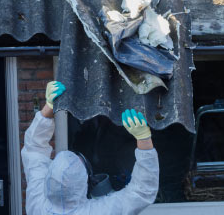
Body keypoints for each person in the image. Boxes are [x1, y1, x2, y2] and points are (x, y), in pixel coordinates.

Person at [21, 81, 159, 214]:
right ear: (84, 182)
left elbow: (34, 150)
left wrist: (49, 108)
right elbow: (142, 192)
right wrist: (144, 139)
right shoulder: (97, 211)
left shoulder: (38, 204)